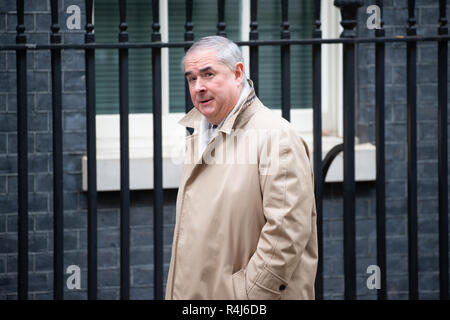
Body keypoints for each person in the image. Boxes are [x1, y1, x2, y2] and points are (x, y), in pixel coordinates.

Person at [165, 35, 317, 300]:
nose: (198, 87)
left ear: (237, 74)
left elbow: (286, 234)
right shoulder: (200, 133)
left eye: (208, 74)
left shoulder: (276, 136)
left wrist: (247, 296)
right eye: (191, 78)